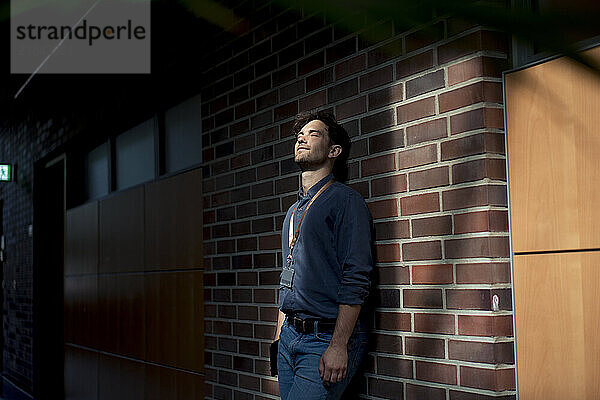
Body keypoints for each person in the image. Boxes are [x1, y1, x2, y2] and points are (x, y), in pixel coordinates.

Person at [272, 111, 373, 400]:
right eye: (299, 135)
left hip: (325, 339)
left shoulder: (345, 201)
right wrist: (279, 337)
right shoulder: (293, 212)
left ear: (334, 151)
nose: (302, 138)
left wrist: (339, 345)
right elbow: (287, 277)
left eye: (313, 133)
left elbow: (356, 277)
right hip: (290, 337)